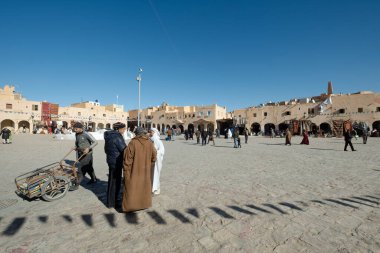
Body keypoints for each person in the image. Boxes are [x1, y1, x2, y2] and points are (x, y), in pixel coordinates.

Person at [122, 127, 157, 213]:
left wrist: (126, 170)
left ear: (137, 134)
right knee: (144, 186)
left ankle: (131, 206)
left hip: (134, 170)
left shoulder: (133, 143)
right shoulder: (149, 142)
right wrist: (148, 164)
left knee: (132, 187)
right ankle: (144, 204)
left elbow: (127, 160)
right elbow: (154, 156)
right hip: (145, 169)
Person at [104, 122, 127, 208]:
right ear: (118, 129)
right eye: (123, 129)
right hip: (117, 162)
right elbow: (124, 149)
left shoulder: (108, 136)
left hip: (110, 161)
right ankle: (115, 201)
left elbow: (105, 150)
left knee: (111, 181)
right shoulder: (117, 137)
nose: (124, 130)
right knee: (116, 182)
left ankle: (110, 202)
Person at [73, 122, 98, 188]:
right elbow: (77, 142)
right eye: (74, 129)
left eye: (76, 129)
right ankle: (94, 179)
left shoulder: (86, 134)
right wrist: (76, 147)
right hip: (80, 153)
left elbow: (95, 142)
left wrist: (88, 148)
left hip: (87, 154)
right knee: (89, 167)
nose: (74, 130)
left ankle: (77, 184)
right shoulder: (76, 134)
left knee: (81, 169)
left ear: (81, 128)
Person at [149, 128, 165, 195]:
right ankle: (151, 188)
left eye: (152, 131)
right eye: (150, 131)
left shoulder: (158, 140)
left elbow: (162, 151)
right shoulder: (150, 139)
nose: (151, 133)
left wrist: (155, 153)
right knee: (151, 175)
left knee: (156, 174)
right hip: (151, 161)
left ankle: (156, 189)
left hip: (157, 161)